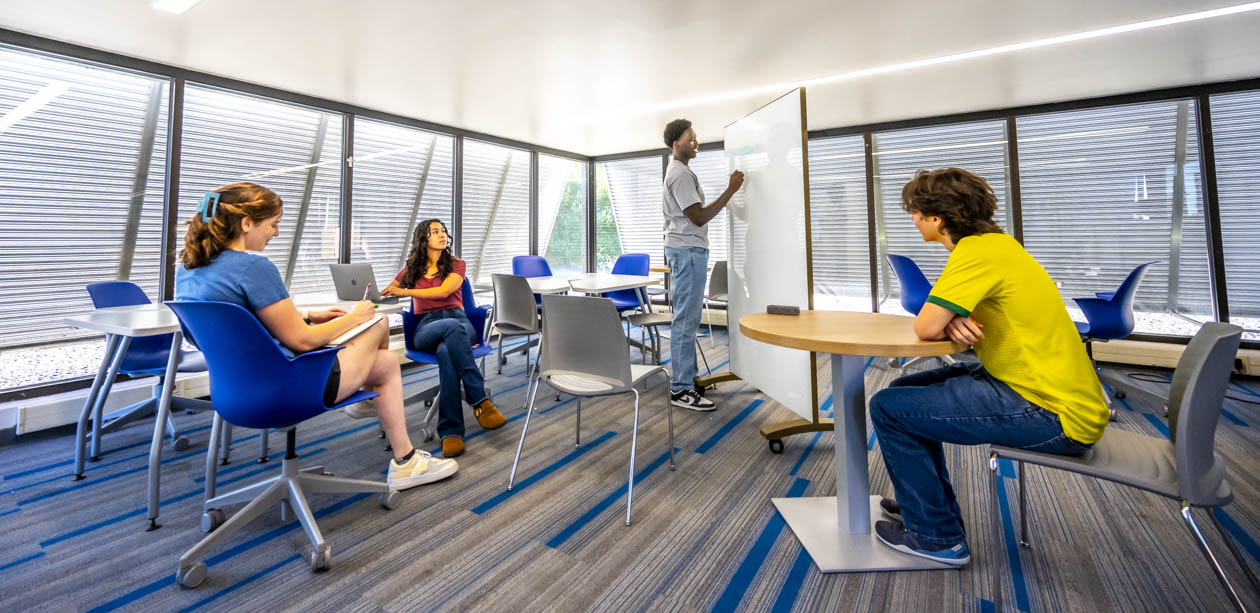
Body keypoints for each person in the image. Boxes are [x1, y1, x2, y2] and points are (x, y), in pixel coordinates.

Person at [867, 168, 1109, 566]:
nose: (912, 220)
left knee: (888, 410)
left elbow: (926, 325)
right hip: (1048, 391)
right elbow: (953, 314)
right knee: (901, 395)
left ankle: (937, 538)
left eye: (914, 212)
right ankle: (923, 506)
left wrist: (944, 317)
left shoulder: (975, 254)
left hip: (1050, 411)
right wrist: (954, 315)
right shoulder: (999, 246)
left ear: (936, 218)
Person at [175, 182, 457, 491]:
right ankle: (366, 403)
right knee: (375, 321)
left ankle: (405, 459)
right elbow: (304, 342)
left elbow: (235, 323)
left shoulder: (189, 270)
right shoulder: (254, 267)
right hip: (291, 387)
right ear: (246, 223)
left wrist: (309, 315)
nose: (277, 233)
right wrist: (353, 318)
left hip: (233, 394)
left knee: (386, 363)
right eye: (273, 224)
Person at [381, 219, 505, 458]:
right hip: (426, 327)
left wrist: (405, 291)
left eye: (443, 231)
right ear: (423, 238)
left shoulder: (457, 264)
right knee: (449, 330)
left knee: (447, 351)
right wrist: (376, 293)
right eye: (435, 231)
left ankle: (451, 432)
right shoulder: (411, 268)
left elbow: (444, 291)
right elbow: (389, 291)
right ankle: (478, 400)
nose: (442, 235)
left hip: (460, 322)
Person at [660, 118, 744, 411]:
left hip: (687, 250)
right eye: (691, 138)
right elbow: (697, 216)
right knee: (685, 320)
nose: (697, 142)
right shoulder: (680, 174)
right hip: (687, 251)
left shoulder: (682, 172)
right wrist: (730, 191)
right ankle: (680, 389)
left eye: (696, 137)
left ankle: (688, 379)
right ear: (676, 144)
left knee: (688, 318)